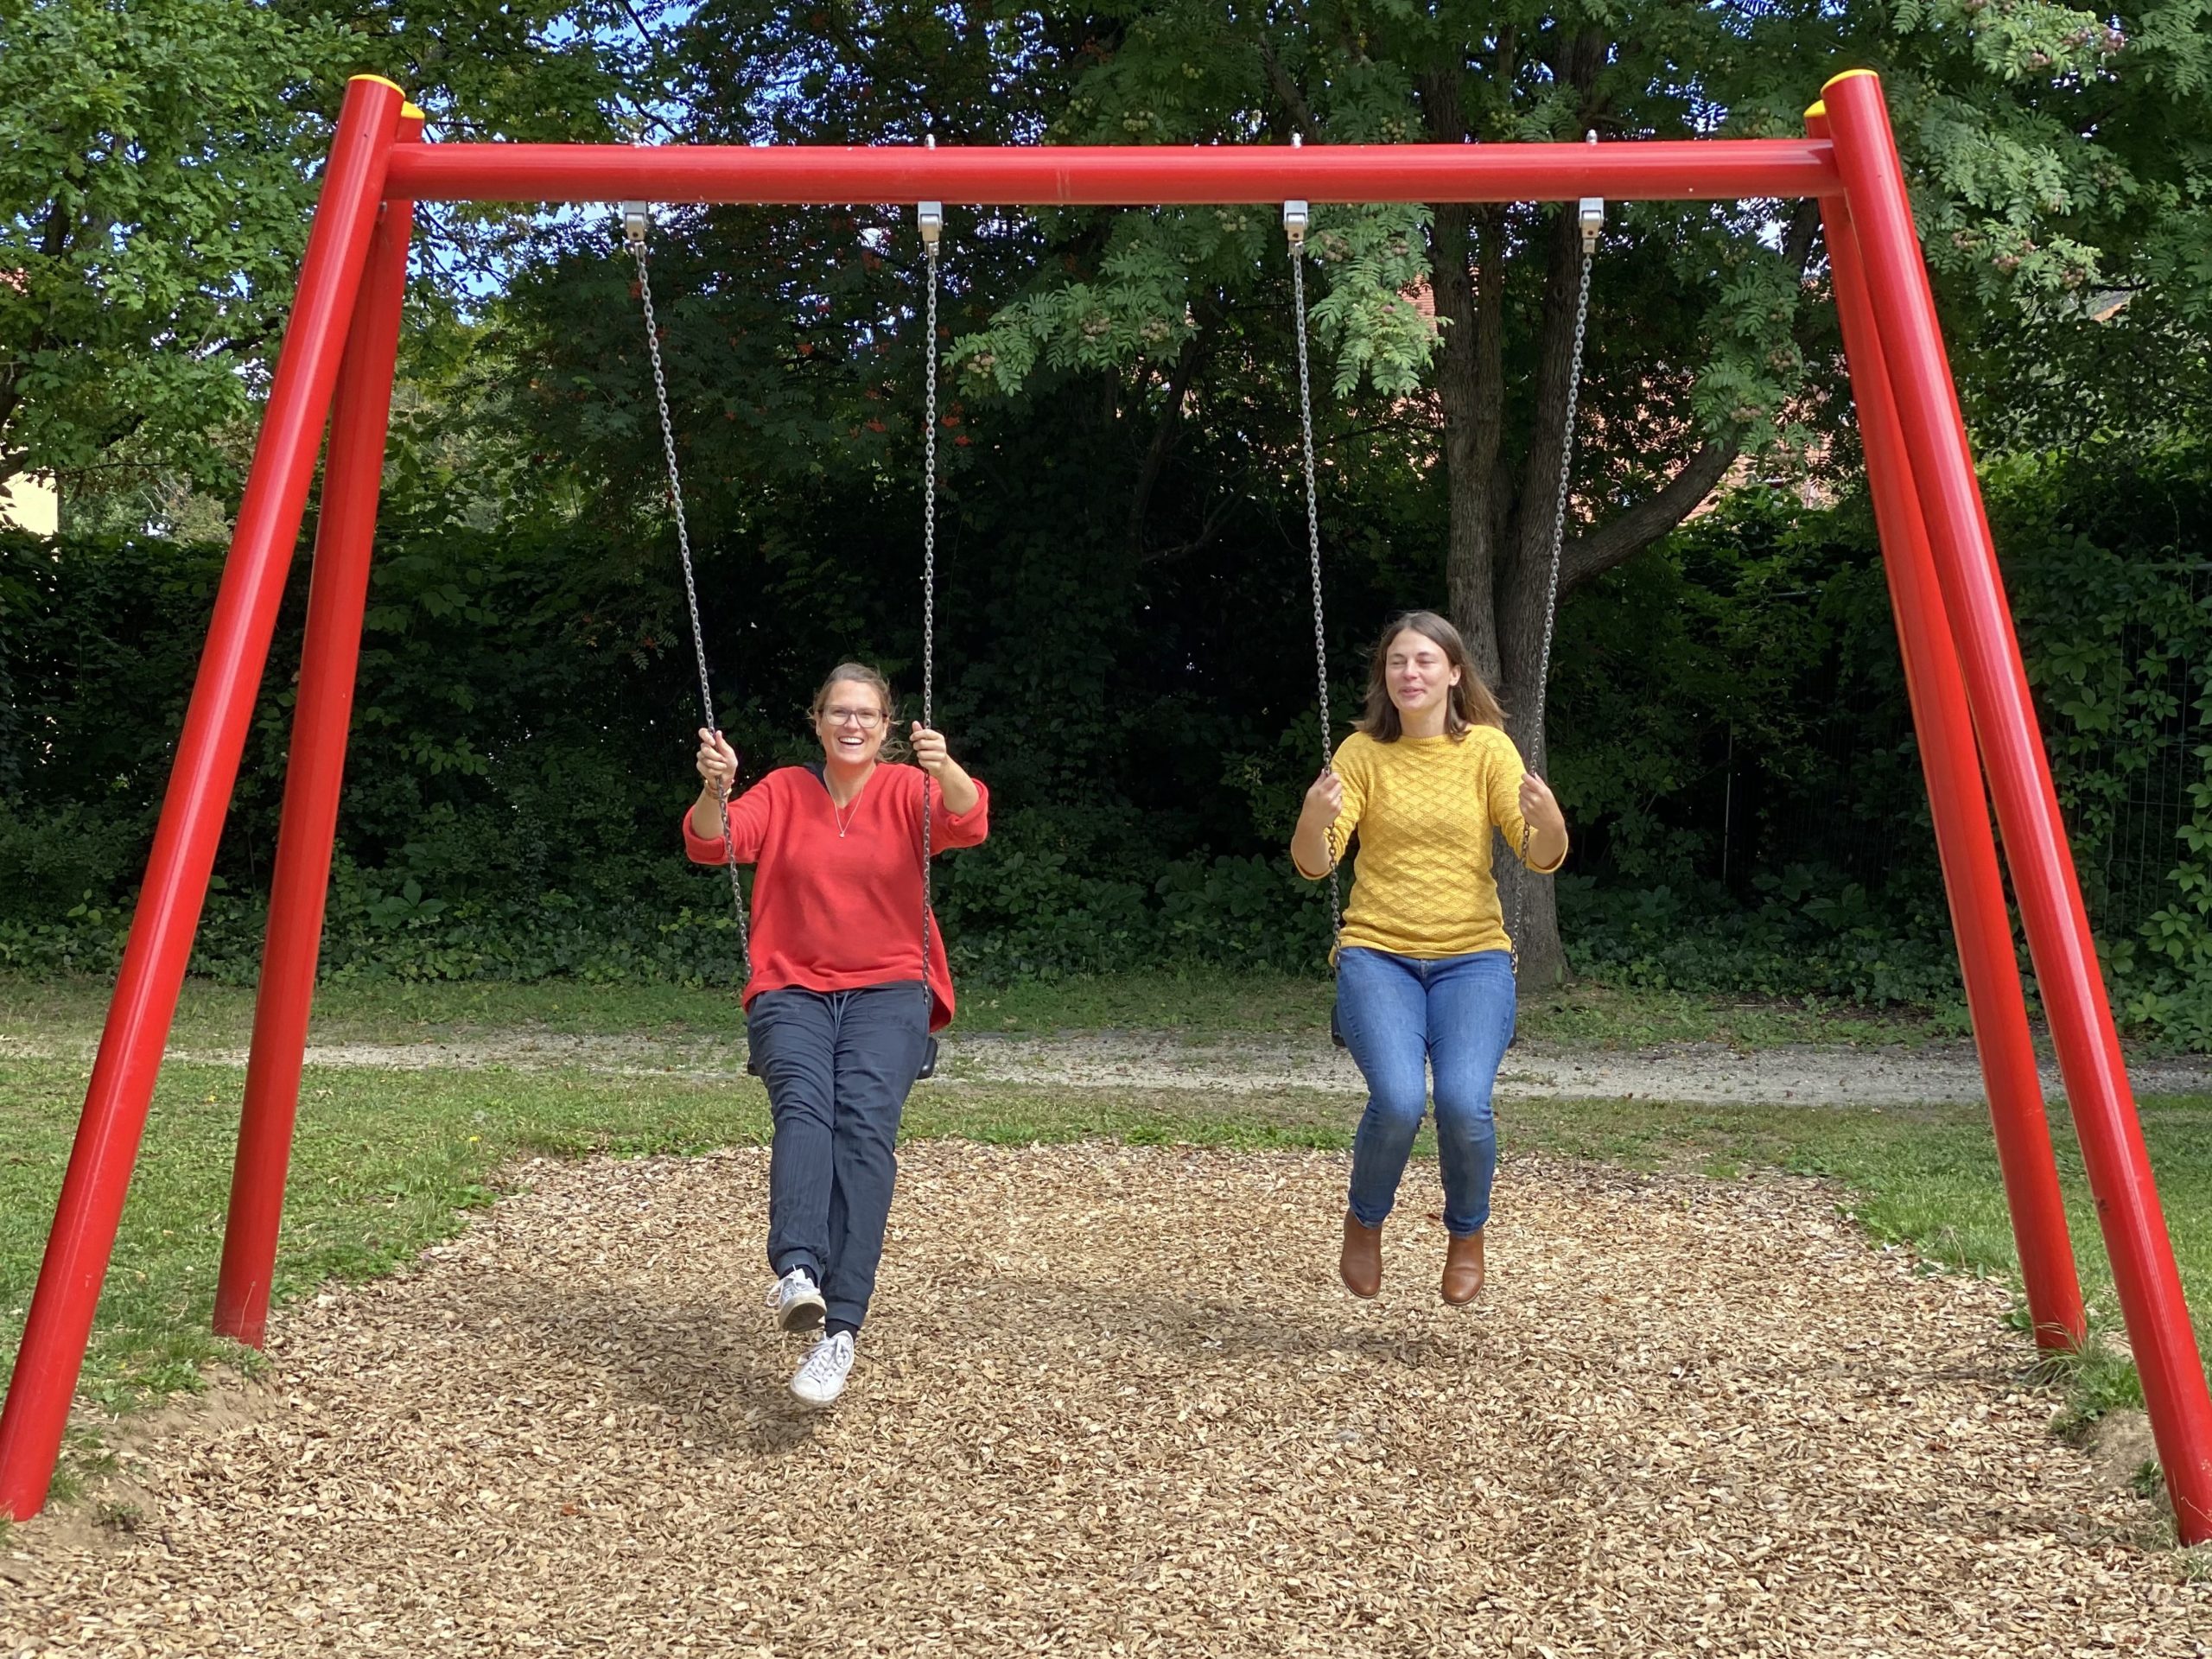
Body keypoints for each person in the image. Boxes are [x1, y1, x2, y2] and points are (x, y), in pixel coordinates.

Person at [685, 663, 988, 1405]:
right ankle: (797, 1270)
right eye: (839, 713)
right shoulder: (787, 789)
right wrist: (714, 789)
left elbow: (970, 820)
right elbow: (711, 843)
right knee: (802, 1105)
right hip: (791, 984)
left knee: (863, 1127)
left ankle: (842, 1329)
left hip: (891, 986)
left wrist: (943, 764)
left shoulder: (909, 789)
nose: (853, 725)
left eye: (868, 715)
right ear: (817, 721)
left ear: (887, 729)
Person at [1289, 610, 1568, 1306]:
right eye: (1396, 663)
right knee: (1399, 1099)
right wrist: (1313, 819)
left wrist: (1551, 818)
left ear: (1452, 672)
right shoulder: (1360, 754)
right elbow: (1315, 865)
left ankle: (1466, 1234)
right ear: (1384, 678)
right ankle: (1365, 1221)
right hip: (1377, 954)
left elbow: (1539, 854)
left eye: (1423, 661)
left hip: (1471, 957)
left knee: (1464, 1103)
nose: (1409, 673)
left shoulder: (1488, 751)